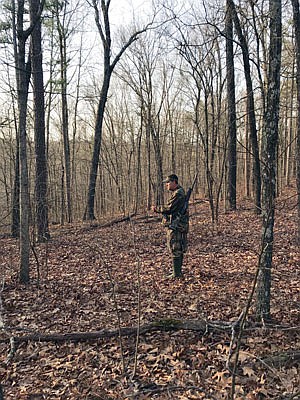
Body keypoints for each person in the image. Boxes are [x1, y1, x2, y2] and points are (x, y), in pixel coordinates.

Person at [152, 174, 189, 278]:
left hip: (177, 225)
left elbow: (169, 208)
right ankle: (178, 272)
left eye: (168, 182)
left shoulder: (178, 193)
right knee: (178, 247)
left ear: (174, 182)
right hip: (179, 225)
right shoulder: (178, 192)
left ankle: (176, 274)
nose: (166, 185)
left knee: (175, 247)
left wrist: (157, 209)